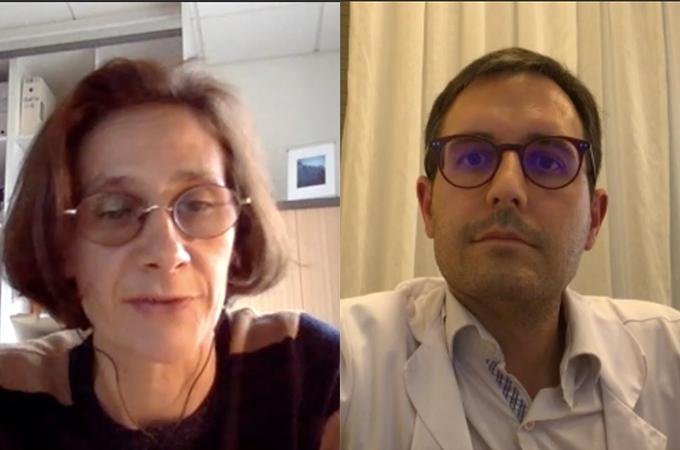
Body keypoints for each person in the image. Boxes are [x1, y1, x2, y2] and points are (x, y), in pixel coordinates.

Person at [340, 47, 680, 450]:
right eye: (473, 157)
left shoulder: (671, 354)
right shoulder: (341, 359)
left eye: (548, 162)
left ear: (594, 218)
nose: (506, 188)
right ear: (427, 206)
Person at [0, 58, 339, 450]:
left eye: (197, 205)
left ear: (239, 232)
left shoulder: (312, 370)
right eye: (115, 210)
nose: (166, 252)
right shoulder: (12, 396)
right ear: (63, 249)